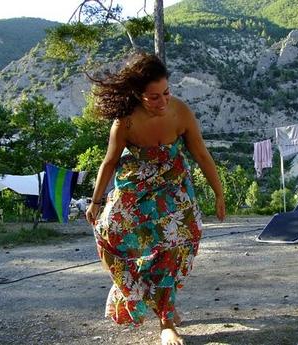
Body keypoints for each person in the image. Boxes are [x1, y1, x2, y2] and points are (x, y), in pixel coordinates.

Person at [85, 52, 225, 345]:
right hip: (135, 188)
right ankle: (136, 291)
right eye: (153, 97)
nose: (162, 102)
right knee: (109, 234)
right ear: (138, 94)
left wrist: (219, 192)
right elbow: (109, 163)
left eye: (166, 93)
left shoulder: (181, 112)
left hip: (174, 188)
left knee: (179, 242)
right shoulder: (124, 122)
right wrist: (96, 202)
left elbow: (201, 154)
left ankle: (166, 320)